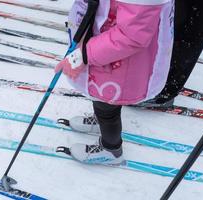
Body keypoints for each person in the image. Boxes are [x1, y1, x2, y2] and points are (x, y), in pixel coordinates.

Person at [55, 0, 175, 165]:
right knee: (102, 100)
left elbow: (132, 35)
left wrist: (83, 55)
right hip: (106, 52)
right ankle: (101, 120)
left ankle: (111, 150)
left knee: (107, 107)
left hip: (118, 60)